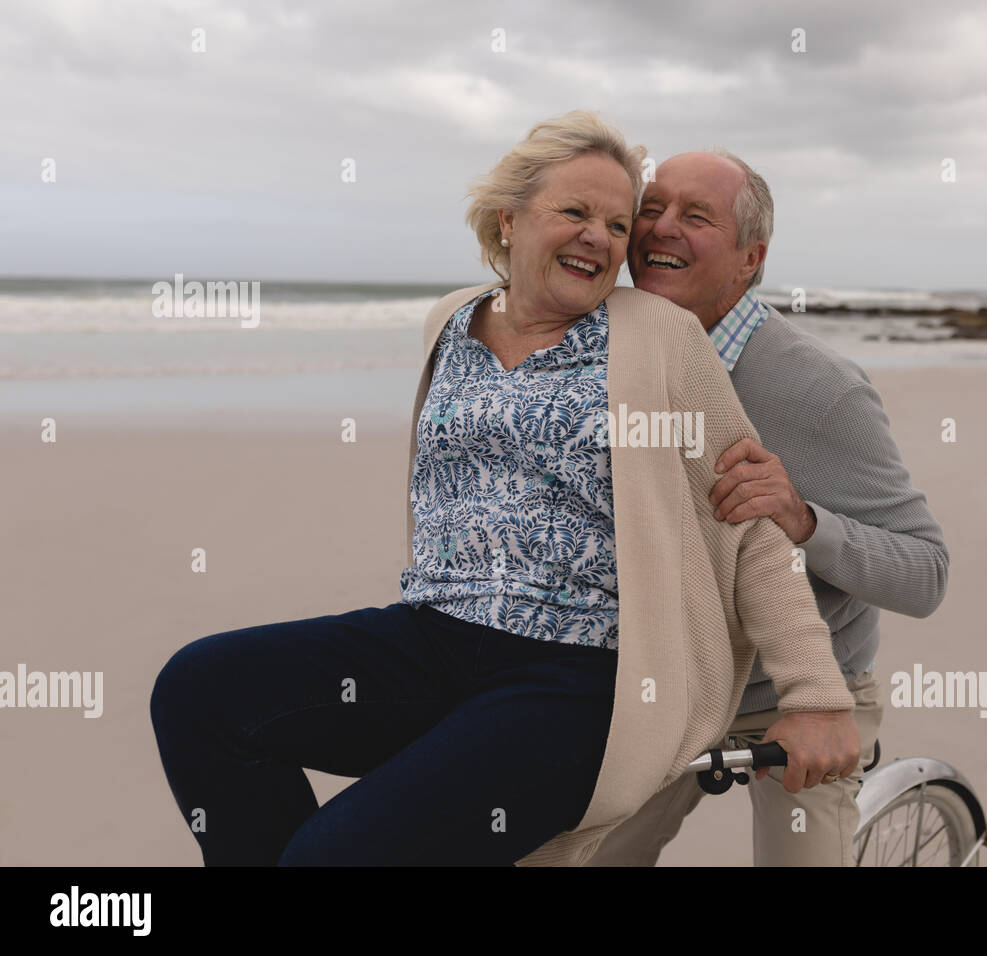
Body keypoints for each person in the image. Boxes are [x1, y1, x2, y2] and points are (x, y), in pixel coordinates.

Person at [149, 112, 859, 867]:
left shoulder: (655, 336)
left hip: (579, 679)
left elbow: (746, 522)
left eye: (618, 225)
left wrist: (815, 696)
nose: (601, 237)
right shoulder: (450, 321)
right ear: (509, 221)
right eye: (576, 212)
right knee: (200, 691)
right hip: (433, 637)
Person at [587, 149, 950, 866]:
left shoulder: (823, 392)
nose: (661, 229)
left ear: (750, 258)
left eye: (695, 217)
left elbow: (926, 573)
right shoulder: (608, 351)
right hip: (668, 686)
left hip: (799, 697)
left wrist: (804, 519)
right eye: (652, 209)